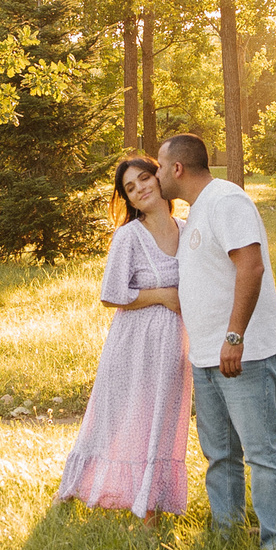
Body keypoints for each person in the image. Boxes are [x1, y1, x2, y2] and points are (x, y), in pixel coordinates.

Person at [153, 133, 276, 550]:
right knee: (220, 454)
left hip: (244, 353)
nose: (157, 175)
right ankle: (228, 535)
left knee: (260, 453)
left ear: (177, 169)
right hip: (208, 355)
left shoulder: (227, 201)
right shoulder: (198, 211)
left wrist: (235, 337)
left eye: (160, 167)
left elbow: (251, 268)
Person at [55, 156, 192, 523]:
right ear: (128, 200)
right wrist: (163, 296)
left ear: (160, 179)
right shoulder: (128, 236)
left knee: (162, 418)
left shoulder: (188, 226)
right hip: (133, 342)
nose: (140, 189)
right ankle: (69, 492)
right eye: (130, 188)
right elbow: (111, 293)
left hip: (175, 344)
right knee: (114, 417)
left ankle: (151, 509)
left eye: (144, 179)